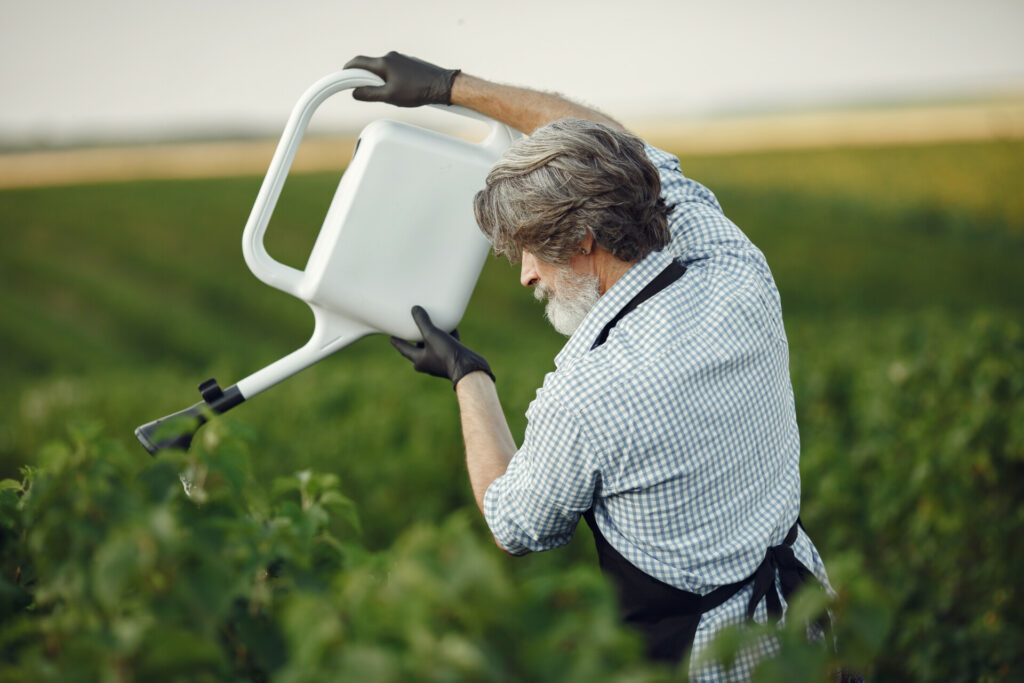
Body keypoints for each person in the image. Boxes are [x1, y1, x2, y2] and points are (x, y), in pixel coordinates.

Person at [345, 51, 834, 679]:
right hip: (806, 625)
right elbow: (613, 143)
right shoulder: (727, 253)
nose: (525, 274)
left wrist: (469, 376)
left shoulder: (590, 393)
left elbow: (512, 524)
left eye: (531, 252)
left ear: (583, 242)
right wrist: (450, 86)